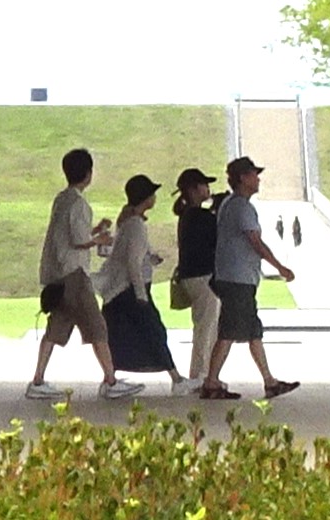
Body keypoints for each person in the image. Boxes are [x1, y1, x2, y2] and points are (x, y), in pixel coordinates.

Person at [27, 147, 141, 402]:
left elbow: (68, 235)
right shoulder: (79, 203)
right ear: (88, 173)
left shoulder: (62, 199)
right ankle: (110, 381)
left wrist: (93, 231)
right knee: (97, 326)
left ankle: (38, 380)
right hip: (74, 275)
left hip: (57, 274)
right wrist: (99, 237)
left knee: (56, 328)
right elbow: (78, 241)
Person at [199, 155, 300, 401]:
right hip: (237, 279)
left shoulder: (230, 205)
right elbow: (255, 241)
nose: (258, 179)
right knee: (229, 331)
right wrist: (280, 267)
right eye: (254, 174)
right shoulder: (241, 207)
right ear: (243, 178)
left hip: (235, 277)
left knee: (252, 330)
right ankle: (211, 382)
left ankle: (269, 381)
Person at [96, 174, 186, 392]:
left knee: (119, 333)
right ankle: (176, 379)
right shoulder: (136, 225)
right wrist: (141, 294)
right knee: (154, 331)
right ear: (146, 198)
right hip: (130, 289)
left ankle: (110, 377)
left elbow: (128, 254)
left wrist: (150, 258)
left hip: (121, 289)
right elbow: (132, 263)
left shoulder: (127, 222)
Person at [169, 167, 221, 387]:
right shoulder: (198, 216)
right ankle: (200, 376)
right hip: (202, 278)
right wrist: (219, 209)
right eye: (203, 185)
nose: (207, 189)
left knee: (207, 327)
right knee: (206, 329)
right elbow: (217, 232)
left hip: (193, 277)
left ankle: (205, 375)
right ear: (193, 189)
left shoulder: (189, 215)